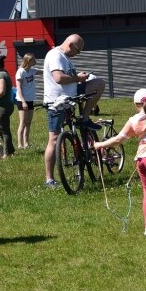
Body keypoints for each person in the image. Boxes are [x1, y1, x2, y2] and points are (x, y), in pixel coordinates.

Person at [94, 88, 146, 238]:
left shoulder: (133, 120)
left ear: (135, 104)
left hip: (141, 160)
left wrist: (100, 145)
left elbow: (118, 140)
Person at [43, 34, 105, 188]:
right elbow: (58, 78)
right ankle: (49, 179)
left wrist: (80, 78)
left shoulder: (65, 57)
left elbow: (68, 77)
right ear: (70, 45)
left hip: (70, 98)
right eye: (78, 50)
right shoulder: (55, 55)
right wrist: (78, 78)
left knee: (98, 84)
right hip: (57, 102)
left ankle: (85, 118)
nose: (78, 54)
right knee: (54, 139)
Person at [15, 53, 37, 149]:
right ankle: (20, 144)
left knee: (28, 123)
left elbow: (44, 71)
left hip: (30, 99)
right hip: (22, 100)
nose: (35, 61)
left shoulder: (32, 71)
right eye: (33, 60)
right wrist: (23, 101)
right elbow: (18, 88)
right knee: (23, 122)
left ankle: (26, 143)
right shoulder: (20, 72)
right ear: (28, 61)